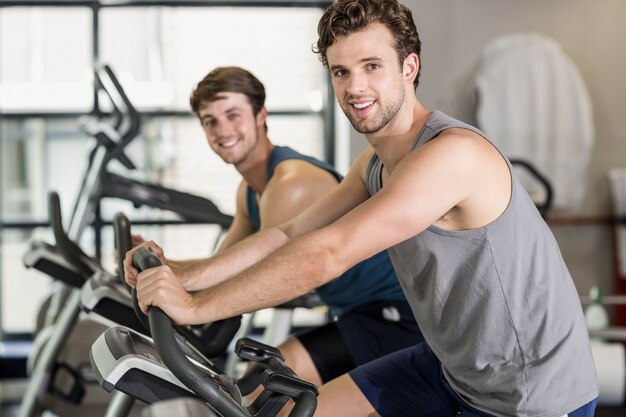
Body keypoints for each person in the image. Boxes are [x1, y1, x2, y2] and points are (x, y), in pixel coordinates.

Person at [124, 1, 599, 416]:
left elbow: (328, 252)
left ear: (409, 67)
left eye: (372, 65)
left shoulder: (453, 154)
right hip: (452, 367)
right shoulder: (374, 162)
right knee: (285, 412)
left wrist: (194, 307)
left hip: (528, 393)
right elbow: (289, 234)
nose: (356, 87)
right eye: (341, 71)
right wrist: (183, 274)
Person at [129, 65, 423, 388]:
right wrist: (165, 268)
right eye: (210, 121)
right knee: (261, 385)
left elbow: (266, 272)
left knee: (266, 388)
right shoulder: (250, 190)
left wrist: (189, 301)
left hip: (399, 316)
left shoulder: (290, 182)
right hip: (359, 313)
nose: (222, 130)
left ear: (260, 115)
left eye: (233, 115)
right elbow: (224, 263)